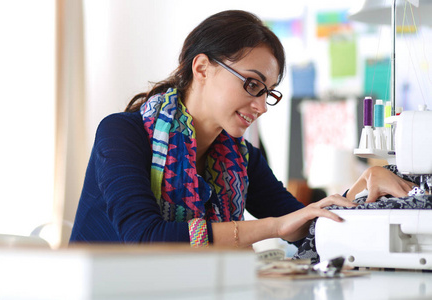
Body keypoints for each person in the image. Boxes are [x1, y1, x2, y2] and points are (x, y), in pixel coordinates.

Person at [70, 10, 415, 248]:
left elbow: (302, 222)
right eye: (252, 84)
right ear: (202, 68)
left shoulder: (239, 158)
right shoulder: (121, 135)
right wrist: (273, 227)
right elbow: (145, 237)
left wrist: (364, 186)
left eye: (268, 93)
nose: (262, 106)